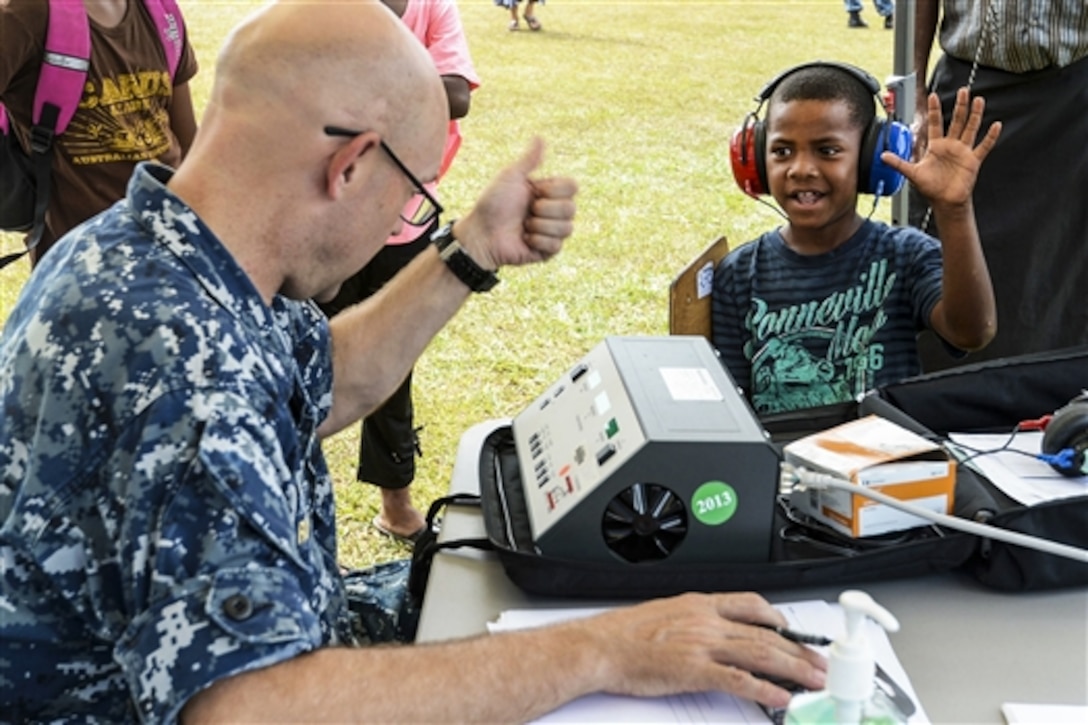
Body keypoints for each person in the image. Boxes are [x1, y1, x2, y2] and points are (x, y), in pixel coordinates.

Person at [0, 1, 828, 721]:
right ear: (351, 162)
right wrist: (610, 649)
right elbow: (252, 703)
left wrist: (466, 248)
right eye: (413, 196)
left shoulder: (153, 255)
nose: (406, 216)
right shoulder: (167, 352)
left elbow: (328, 377)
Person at [712, 62, 1000, 416]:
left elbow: (971, 332)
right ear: (755, 158)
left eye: (827, 150)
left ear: (870, 159)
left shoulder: (904, 255)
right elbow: (730, 407)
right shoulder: (739, 274)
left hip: (883, 463)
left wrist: (953, 211)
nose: (801, 168)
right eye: (782, 151)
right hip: (782, 464)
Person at [318, 0, 480, 545]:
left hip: (403, 221)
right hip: (327, 222)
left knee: (392, 367)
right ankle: (275, 488)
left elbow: (457, 95)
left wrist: (368, 84)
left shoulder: (434, 6)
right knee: (300, 361)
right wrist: (411, 91)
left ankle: (396, 504)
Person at [909, 0, 1088, 372]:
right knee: (942, 264)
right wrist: (915, 95)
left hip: (1075, 98)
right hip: (965, 93)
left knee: (1065, 275)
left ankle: (1059, 409)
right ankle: (940, 403)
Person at [0, 0, 199, 266]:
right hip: (79, 269)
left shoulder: (162, 12)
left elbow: (189, 148)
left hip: (169, 254)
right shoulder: (23, 14)